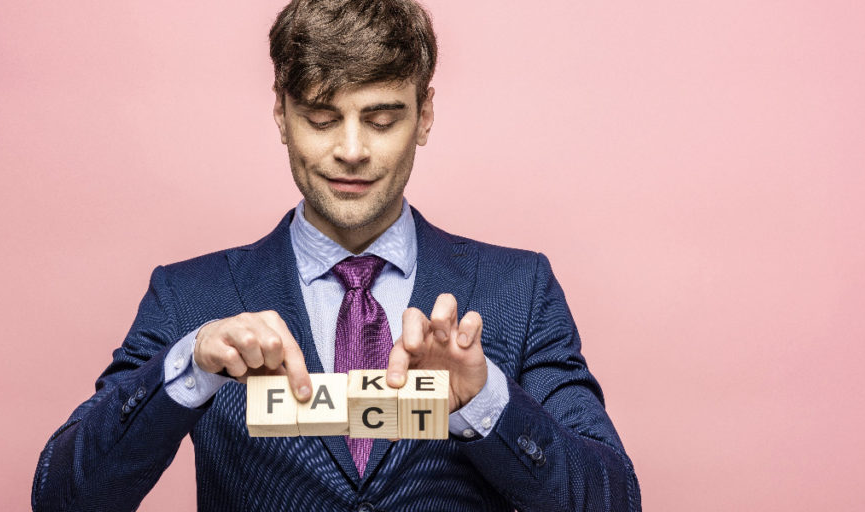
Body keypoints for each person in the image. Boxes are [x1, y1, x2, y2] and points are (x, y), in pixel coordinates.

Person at [31, 0, 641, 510]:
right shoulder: (188, 297)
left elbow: (616, 500)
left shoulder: (519, 288)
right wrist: (188, 368)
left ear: (425, 114)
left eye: (381, 121)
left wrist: (485, 403)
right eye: (322, 118)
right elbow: (63, 498)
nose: (352, 151)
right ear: (281, 112)